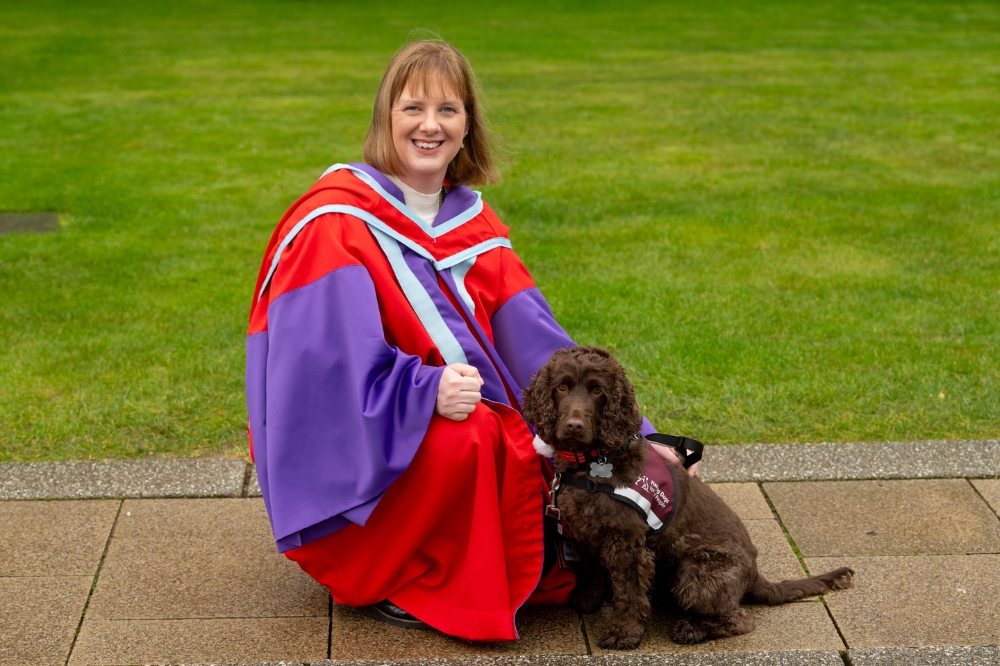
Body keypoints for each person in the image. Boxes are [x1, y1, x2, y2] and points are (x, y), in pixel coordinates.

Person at [245, 39, 698, 643]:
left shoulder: (471, 227)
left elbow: (538, 345)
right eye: (413, 108)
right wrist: (423, 389)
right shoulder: (335, 227)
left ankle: (533, 558)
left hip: (461, 406)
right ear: (386, 117)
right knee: (475, 438)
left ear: (467, 127)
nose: (430, 126)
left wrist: (643, 439)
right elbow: (322, 372)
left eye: (448, 110)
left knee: (542, 443)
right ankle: (403, 576)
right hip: (370, 433)